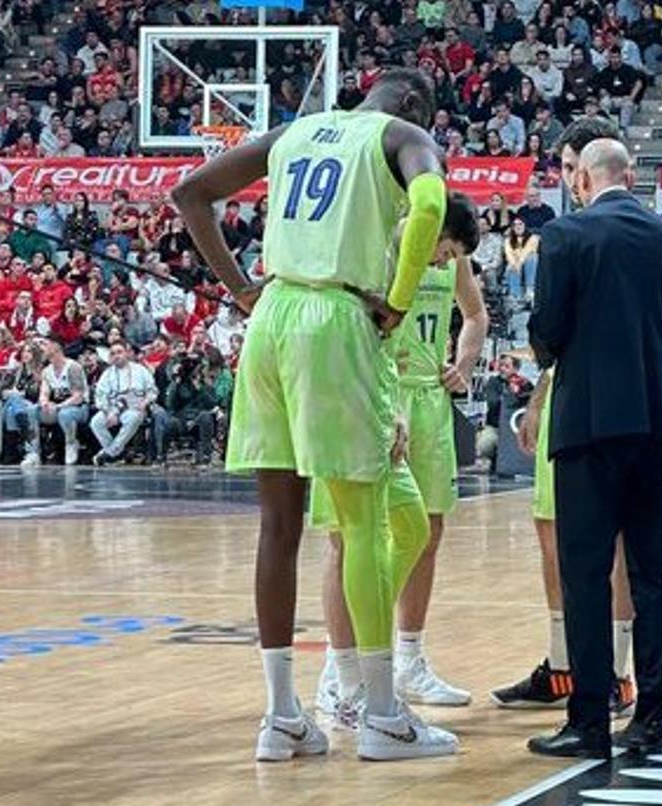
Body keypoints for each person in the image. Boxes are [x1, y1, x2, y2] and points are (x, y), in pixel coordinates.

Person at [172, 68, 457, 763]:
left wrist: (240, 287)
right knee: (363, 522)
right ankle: (384, 714)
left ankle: (281, 716)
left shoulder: (295, 132)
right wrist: (397, 294)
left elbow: (190, 192)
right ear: (415, 102)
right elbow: (428, 206)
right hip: (336, 316)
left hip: (270, 319)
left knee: (278, 524)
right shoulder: (403, 134)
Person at [524, 136, 662, 760]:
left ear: (583, 180)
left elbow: (547, 328)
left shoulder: (566, 235)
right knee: (655, 571)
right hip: (657, 418)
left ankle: (589, 722)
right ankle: (652, 719)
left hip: (590, 420)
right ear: (632, 174)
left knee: (586, 573)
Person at [313, 198, 485, 727]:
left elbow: (476, 315)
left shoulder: (450, 257)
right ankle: (339, 669)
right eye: (444, 252)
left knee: (426, 530)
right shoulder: (376, 239)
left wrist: (463, 363)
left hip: (428, 400)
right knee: (347, 537)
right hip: (374, 394)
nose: (441, 262)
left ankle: (406, 658)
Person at [493, 118, 640, 717]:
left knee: (617, 545)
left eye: (569, 166)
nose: (566, 179)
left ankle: (617, 673)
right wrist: (536, 400)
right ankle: (562, 666)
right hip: (565, 394)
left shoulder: (620, 234)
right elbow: (556, 337)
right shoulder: (569, 232)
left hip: (611, 401)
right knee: (551, 534)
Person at [90, 340, 159, 465]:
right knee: (96, 422)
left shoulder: (140, 370)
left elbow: (153, 391)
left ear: (126, 353)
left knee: (133, 418)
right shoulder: (107, 374)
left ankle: (111, 453)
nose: (117, 356)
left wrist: (145, 402)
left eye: (119, 352)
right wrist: (108, 412)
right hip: (112, 409)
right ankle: (118, 453)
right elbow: (100, 396)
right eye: (113, 353)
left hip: (134, 408)